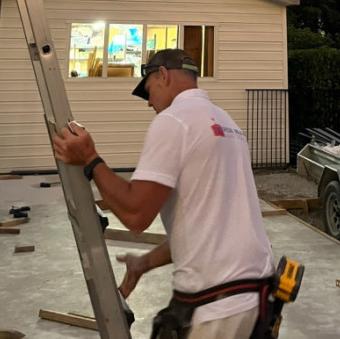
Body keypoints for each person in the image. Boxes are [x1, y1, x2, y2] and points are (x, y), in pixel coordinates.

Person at [52, 48, 274, 338]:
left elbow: (136, 215)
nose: (149, 103)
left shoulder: (174, 120)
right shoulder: (226, 123)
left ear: (164, 75)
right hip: (259, 299)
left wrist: (91, 159)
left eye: (148, 90)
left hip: (216, 308)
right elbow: (208, 226)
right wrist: (144, 263)